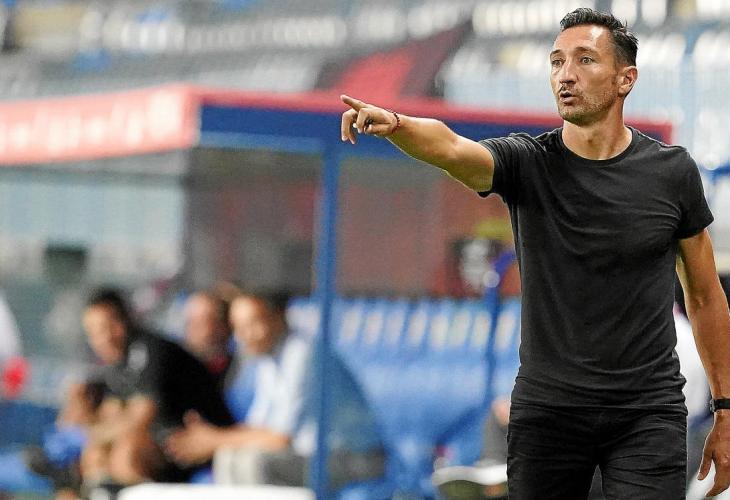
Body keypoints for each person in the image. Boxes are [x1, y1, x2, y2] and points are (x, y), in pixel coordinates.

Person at [340, 7, 730, 499]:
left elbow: (705, 296)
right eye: (557, 61)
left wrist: (726, 411)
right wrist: (397, 124)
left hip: (646, 413)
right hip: (550, 413)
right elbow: (452, 148)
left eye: (585, 60)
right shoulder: (526, 162)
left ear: (625, 79)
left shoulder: (672, 173)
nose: (565, 74)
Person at [165, 292, 385, 491]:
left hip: (355, 460)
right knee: (229, 457)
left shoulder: (304, 354)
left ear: (278, 317)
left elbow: (279, 438)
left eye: (252, 324)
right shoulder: (268, 359)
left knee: (254, 463)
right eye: (237, 327)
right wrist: (213, 439)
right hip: (310, 457)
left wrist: (214, 439)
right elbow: (259, 429)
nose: (244, 336)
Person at [79, 288, 233, 494]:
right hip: (167, 448)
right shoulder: (116, 366)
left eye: (108, 326)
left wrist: (94, 433)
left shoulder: (150, 350)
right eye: (94, 332)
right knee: (95, 455)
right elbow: (110, 416)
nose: (103, 338)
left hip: (201, 444)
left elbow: (140, 418)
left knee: (129, 451)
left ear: (126, 320)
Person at [181, 291, 234, 390]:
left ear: (222, 327)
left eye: (200, 323)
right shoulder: (179, 371)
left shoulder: (240, 371)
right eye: (189, 322)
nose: (192, 329)